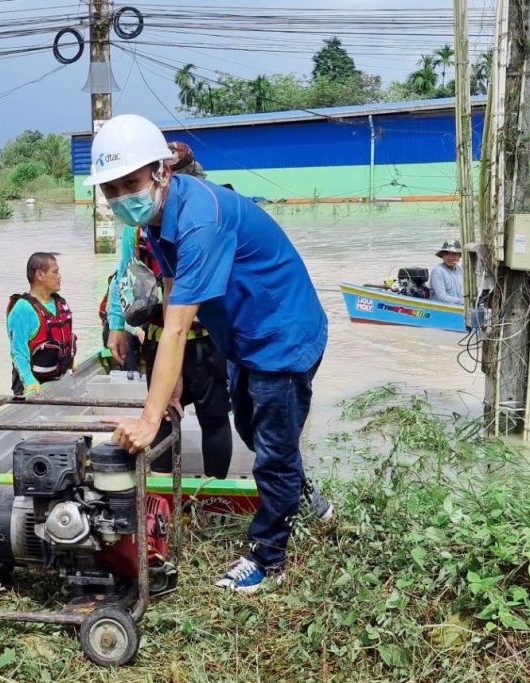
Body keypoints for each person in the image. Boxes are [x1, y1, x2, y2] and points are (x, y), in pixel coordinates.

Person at [90, 114, 332, 594]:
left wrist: (149, 418)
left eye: (131, 182)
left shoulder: (201, 218)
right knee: (251, 429)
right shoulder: (163, 215)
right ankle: (305, 499)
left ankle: (270, 555)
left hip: (282, 336)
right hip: (242, 336)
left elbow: (179, 326)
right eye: (111, 188)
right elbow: (172, 294)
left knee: (272, 452)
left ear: (161, 171)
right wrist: (172, 379)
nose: (122, 196)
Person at [105, 141, 232, 479]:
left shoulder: (205, 219)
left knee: (213, 418)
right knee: (163, 414)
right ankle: (161, 494)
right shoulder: (142, 225)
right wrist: (117, 324)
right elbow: (124, 273)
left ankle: (212, 492)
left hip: (202, 337)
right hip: (162, 339)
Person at [6, 252, 77, 396]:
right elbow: (18, 353)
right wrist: (29, 382)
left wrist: (70, 363)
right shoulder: (23, 309)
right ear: (40, 275)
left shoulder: (60, 303)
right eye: (55, 272)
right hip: (33, 384)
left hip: (58, 378)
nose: (59, 276)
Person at [429, 239, 464, 305]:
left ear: (459, 256)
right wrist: (462, 301)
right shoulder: (438, 271)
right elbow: (442, 297)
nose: (450, 257)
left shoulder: (460, 269)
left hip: (458, 307)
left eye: (454, 254)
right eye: (447, 254)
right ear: (442, 256)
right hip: (442, 309)